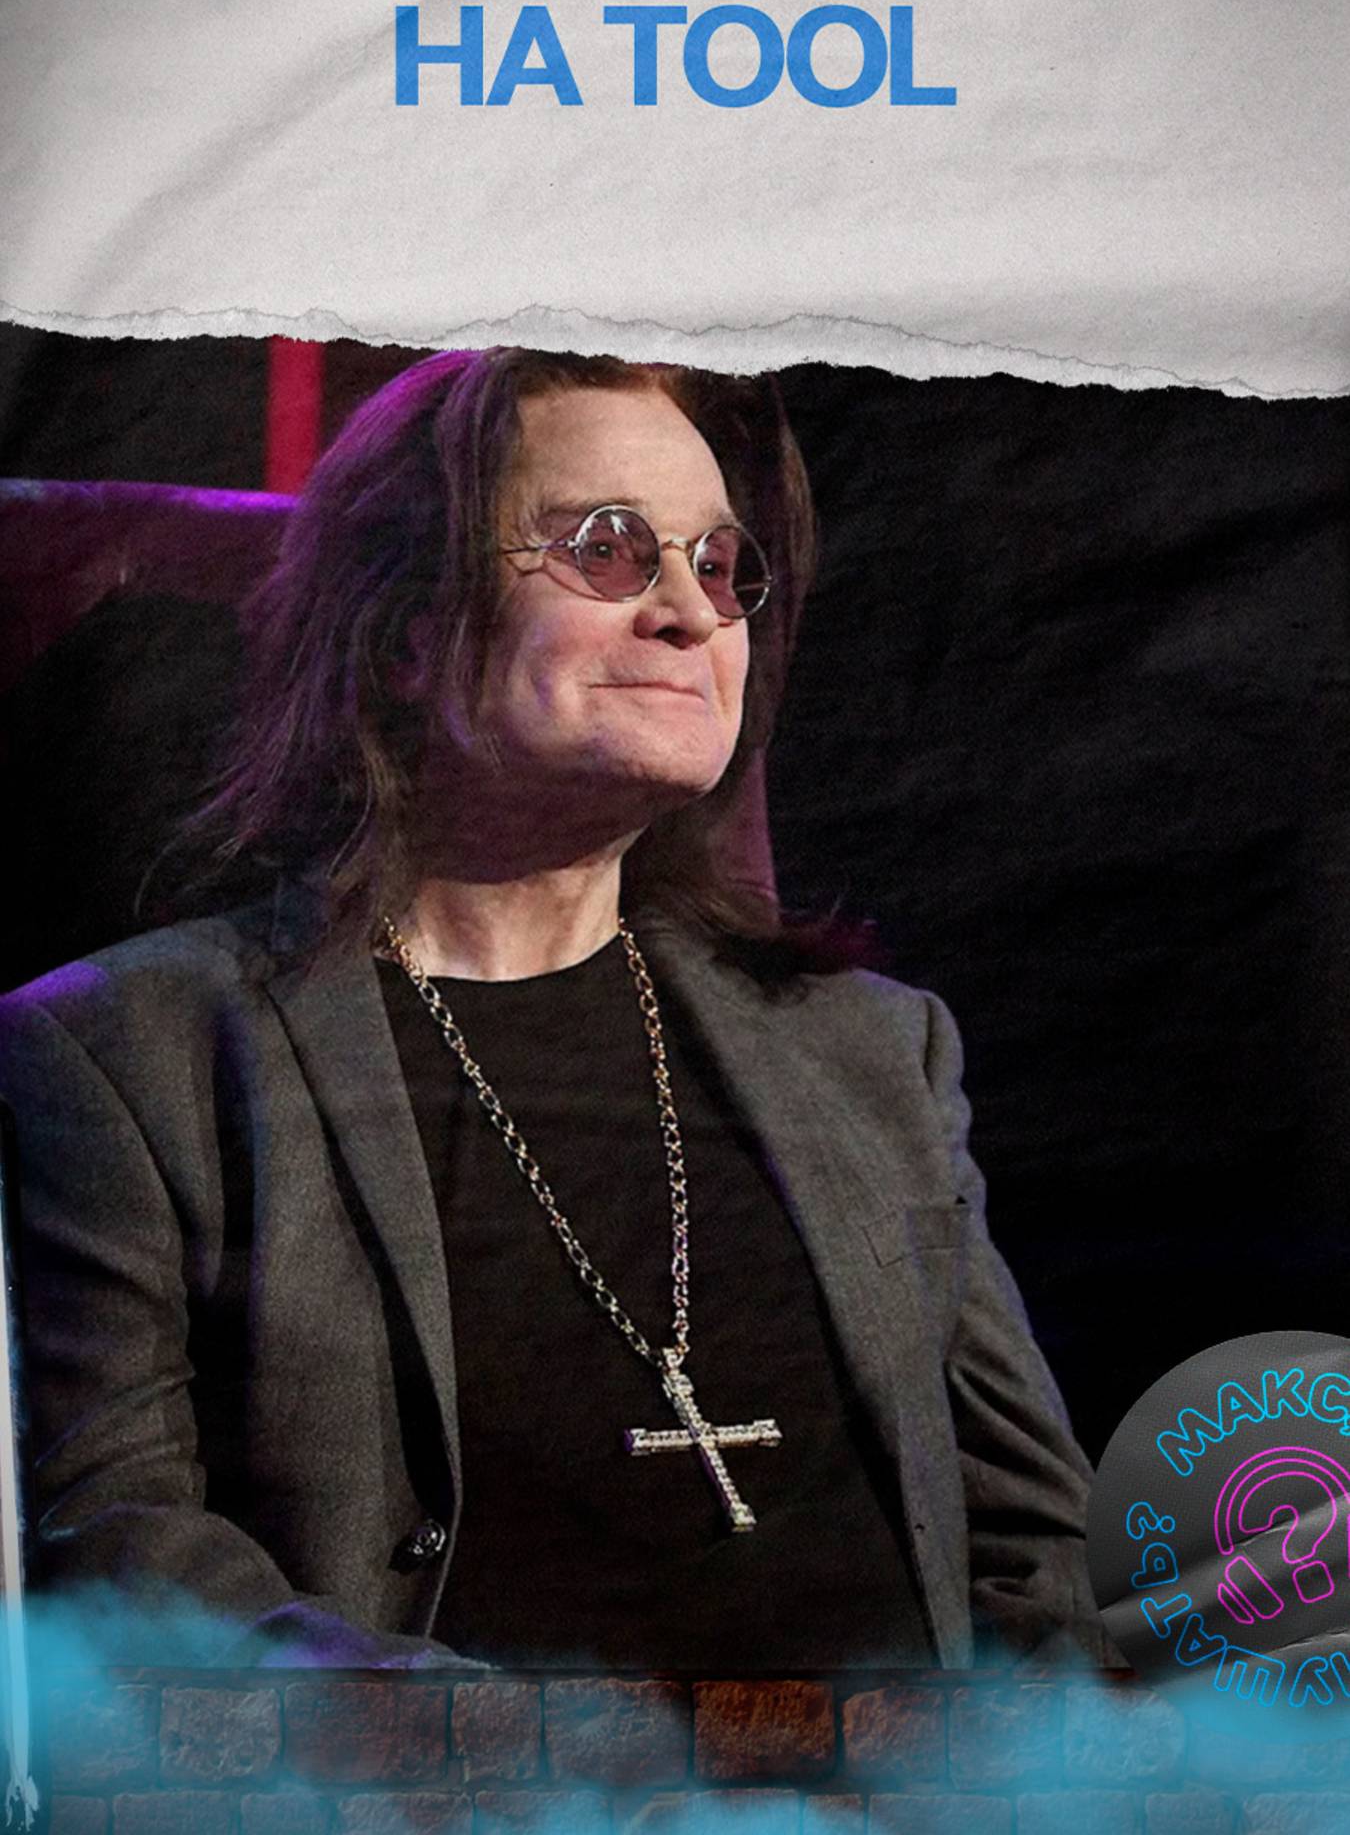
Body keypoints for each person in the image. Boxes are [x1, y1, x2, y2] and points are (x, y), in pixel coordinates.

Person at [0, 348, 1102, 1671]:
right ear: (409, 633)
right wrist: (565, 1763)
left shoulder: (875, 1046)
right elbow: (126, 1562)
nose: (691, 613)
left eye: (719, 565)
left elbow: (1034, 1550)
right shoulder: (126, 1059)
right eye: (606, 548)